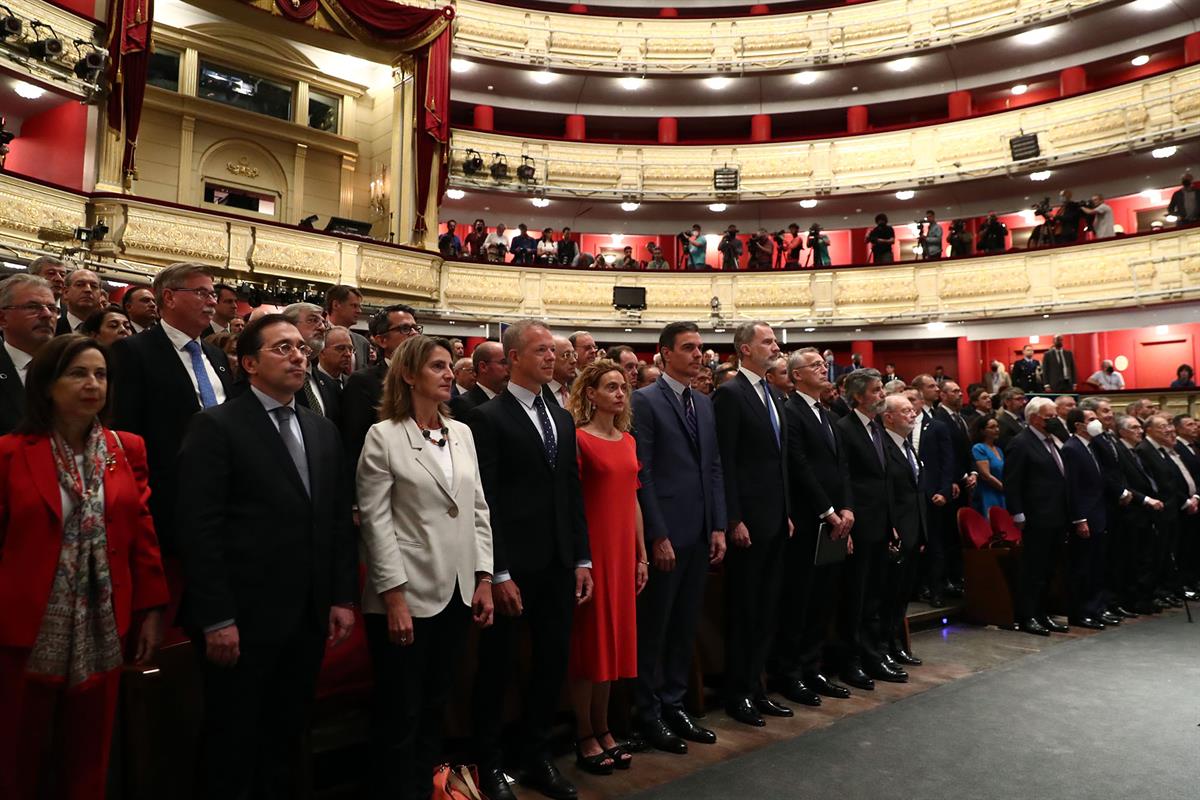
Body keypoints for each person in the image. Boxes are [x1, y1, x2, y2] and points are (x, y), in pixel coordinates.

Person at [176, 314, 357, 799]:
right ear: (249, 363)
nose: (298, 355)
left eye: (301, 347)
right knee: (233, 738)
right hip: (242, 615)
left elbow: (336, 520)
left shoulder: (322, 430)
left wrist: (341, 596)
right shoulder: (215, 425)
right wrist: (216, 617)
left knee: (288, 733)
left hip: (306, 613)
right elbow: (200, 527)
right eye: (282, 348)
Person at [0, 335, 168, 800]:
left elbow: (141, 533)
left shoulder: (124, 447)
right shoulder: (10, 452)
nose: (93, 384)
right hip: (23, 626)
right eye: (78, 373)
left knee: (89, 755)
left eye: (101, 374)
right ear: (47, 384)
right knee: (17, 754)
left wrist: (151, 609)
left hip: (102, 622)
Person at [356, 335, 494, 800]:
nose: (450, 374)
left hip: (456, 588)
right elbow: (376, 523)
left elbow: (477, 509)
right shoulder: (384, 435)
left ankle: (426, 790)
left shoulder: (462, 433)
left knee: (436, 704)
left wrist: (484, 578)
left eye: (450, 367)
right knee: (401, 711)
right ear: (409, 375)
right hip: (406, 592)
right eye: (437, 367)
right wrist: (393, 597)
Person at [468, 320, 592, 800]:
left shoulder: (561, 415)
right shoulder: (488, 417)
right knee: (497, 668)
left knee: (550, 663)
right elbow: (487, 500)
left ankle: (537, 756)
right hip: (512, 566)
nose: (550, 357)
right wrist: (496, 570)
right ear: (514, 357)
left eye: (551, 351)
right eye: (539, 350)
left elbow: (571, 491)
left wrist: (582, 557)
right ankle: (490, 764)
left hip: (559, 560)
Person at [632, 322, 727, 754]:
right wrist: (657, 534)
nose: (698, 355)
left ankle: (674, 704)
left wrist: (719, 524)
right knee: (656, 626)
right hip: (667, 531)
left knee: (685, 623)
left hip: (701, 529)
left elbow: (713, 468)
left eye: (701, 348)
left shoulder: (704, 403)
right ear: (664, 353)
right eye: (688, 348)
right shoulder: (644, 401)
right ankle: (647, 712)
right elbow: (643, 472)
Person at [111, 262, 234, 558]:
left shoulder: (216, 355)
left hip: (225, 492)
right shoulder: (133, 351)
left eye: (213, 293)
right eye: (202, 293)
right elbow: (127, 428)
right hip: (167, 497)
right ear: (169, 298)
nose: (212, 301)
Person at [565, 359, 647, 774]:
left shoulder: (628, 440)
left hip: (621, 552)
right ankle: (585, 732)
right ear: (590, 393)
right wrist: (583, 558)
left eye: (623, 387)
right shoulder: (579, 439)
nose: (619, 393)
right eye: (610, 387)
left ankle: (604, 725)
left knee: (613, 645)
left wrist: (641, 554)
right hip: (593, 553)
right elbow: (573, 504)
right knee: (590, 647)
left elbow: (633, 499)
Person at [713, 321, 793, 726]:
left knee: (767, 609)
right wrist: (733, 517)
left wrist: (788, 511)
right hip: (747, 521)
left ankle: (758, 687)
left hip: (776, 518)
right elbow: (725, 461)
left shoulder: (772, 395)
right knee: (745, 611)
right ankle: (738, 692)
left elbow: (778, 461)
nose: (775, 345)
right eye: (767, 341)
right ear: (744, 350)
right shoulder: (730, 394)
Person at [772, 347, 854, 705]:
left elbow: (842, 467)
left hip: (836, 521)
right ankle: (791, 674)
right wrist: (828, 511)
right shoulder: (790, 412)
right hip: (808, 521)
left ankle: (813, 667)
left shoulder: (829, 413)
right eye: (815, 366)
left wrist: (848, 508)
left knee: (823, 599)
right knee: (800, 601)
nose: (824, 369)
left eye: (824, 365)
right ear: (796, 375)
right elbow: (799, 465)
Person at [835, 369, 906, 686]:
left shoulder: (876, 428)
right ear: (859, 396)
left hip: (880, 525)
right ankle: (852, 662)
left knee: (876, 596)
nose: (881, 395)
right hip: (859, 525)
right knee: (856, 598)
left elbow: (885, 480)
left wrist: (892, 522)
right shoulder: (845, 429)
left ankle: (874, 655)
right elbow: (845, 479)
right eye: (877, 390)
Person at [1005, 397, 1072, 636]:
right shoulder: (1021, 443)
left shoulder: (1055, 440)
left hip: (1058, 514)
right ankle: (1028, 615)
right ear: (1034, 418)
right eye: (1049, 417)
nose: (1054, 421)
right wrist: (1018, 513)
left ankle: (1043, 613)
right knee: (1033, 570)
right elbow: (1012, 482)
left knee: (1049, 569)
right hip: (1036, 515)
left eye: (1055, 416)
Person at [341, 304, 421, 467]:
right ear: (382, 340)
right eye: (405, 328)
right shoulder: (363, 382)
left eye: (415, 328)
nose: (414, 334)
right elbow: (355, 444)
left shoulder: (427, 378)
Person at [878, 394, 925, 665]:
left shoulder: (908, 447)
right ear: (889, 417)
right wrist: (892, 527)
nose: (913, 415)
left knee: (903, 595)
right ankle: (883, 647)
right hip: (895, 532)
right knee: (888, 595)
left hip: (914, 531)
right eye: (906, 411)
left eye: (913, 410)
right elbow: (887, 494)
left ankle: (897, 645)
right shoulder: (883, 445)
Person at [1060, 408, 1111, 629]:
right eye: (1091, 419)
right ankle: (1081, 612)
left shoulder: (1092, 446)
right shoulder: (1072, 448)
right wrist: (1079, 519)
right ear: (1079, 425)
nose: (1096, 422)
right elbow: (1073, 487)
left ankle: (1097, 608)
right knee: (1083, 566)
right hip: (1086, 516)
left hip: (1099, 512)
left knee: (1098, 564)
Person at [0, 275, 58, 435]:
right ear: (2, 318)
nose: (47, 314)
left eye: (52, 308)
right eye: (33, 307)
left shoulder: (68, 366)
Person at [282, 302, 341, 423]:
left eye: (323, 322)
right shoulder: (275, 379)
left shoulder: (330, 385)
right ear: (289, 326)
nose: (322, 328)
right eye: (313, 320)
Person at [449, 340, 508, 421]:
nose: (509, 368)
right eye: (504, 363)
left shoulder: (508, 400)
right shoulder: (463, 404)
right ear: (483, 367)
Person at [324, 285, 373, 370]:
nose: (359, 311)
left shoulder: (362, 343)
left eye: (359, 307)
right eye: (354, 306)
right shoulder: (318, 337)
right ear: (335, 305)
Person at [971, 416, 1006, 516]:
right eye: (992, 427)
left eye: (997, 427)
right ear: (982, 431)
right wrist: (1004, 488)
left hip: (1001, 492)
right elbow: (985, 475)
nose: (997, 430)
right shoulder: (979, 448)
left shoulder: (998, 449)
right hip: (988, 493)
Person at [57, 269, 102, 335]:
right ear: (66, 292)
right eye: (80, 285)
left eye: (94, 286)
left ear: (100, 295)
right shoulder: (54, 328)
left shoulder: (107, 331)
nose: (88, 289)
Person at [546, 335, 577, 408]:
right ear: (550, 358)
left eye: (574, 355)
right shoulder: (538, 392)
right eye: (566, 355)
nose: (574, 361)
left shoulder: (577, 390)